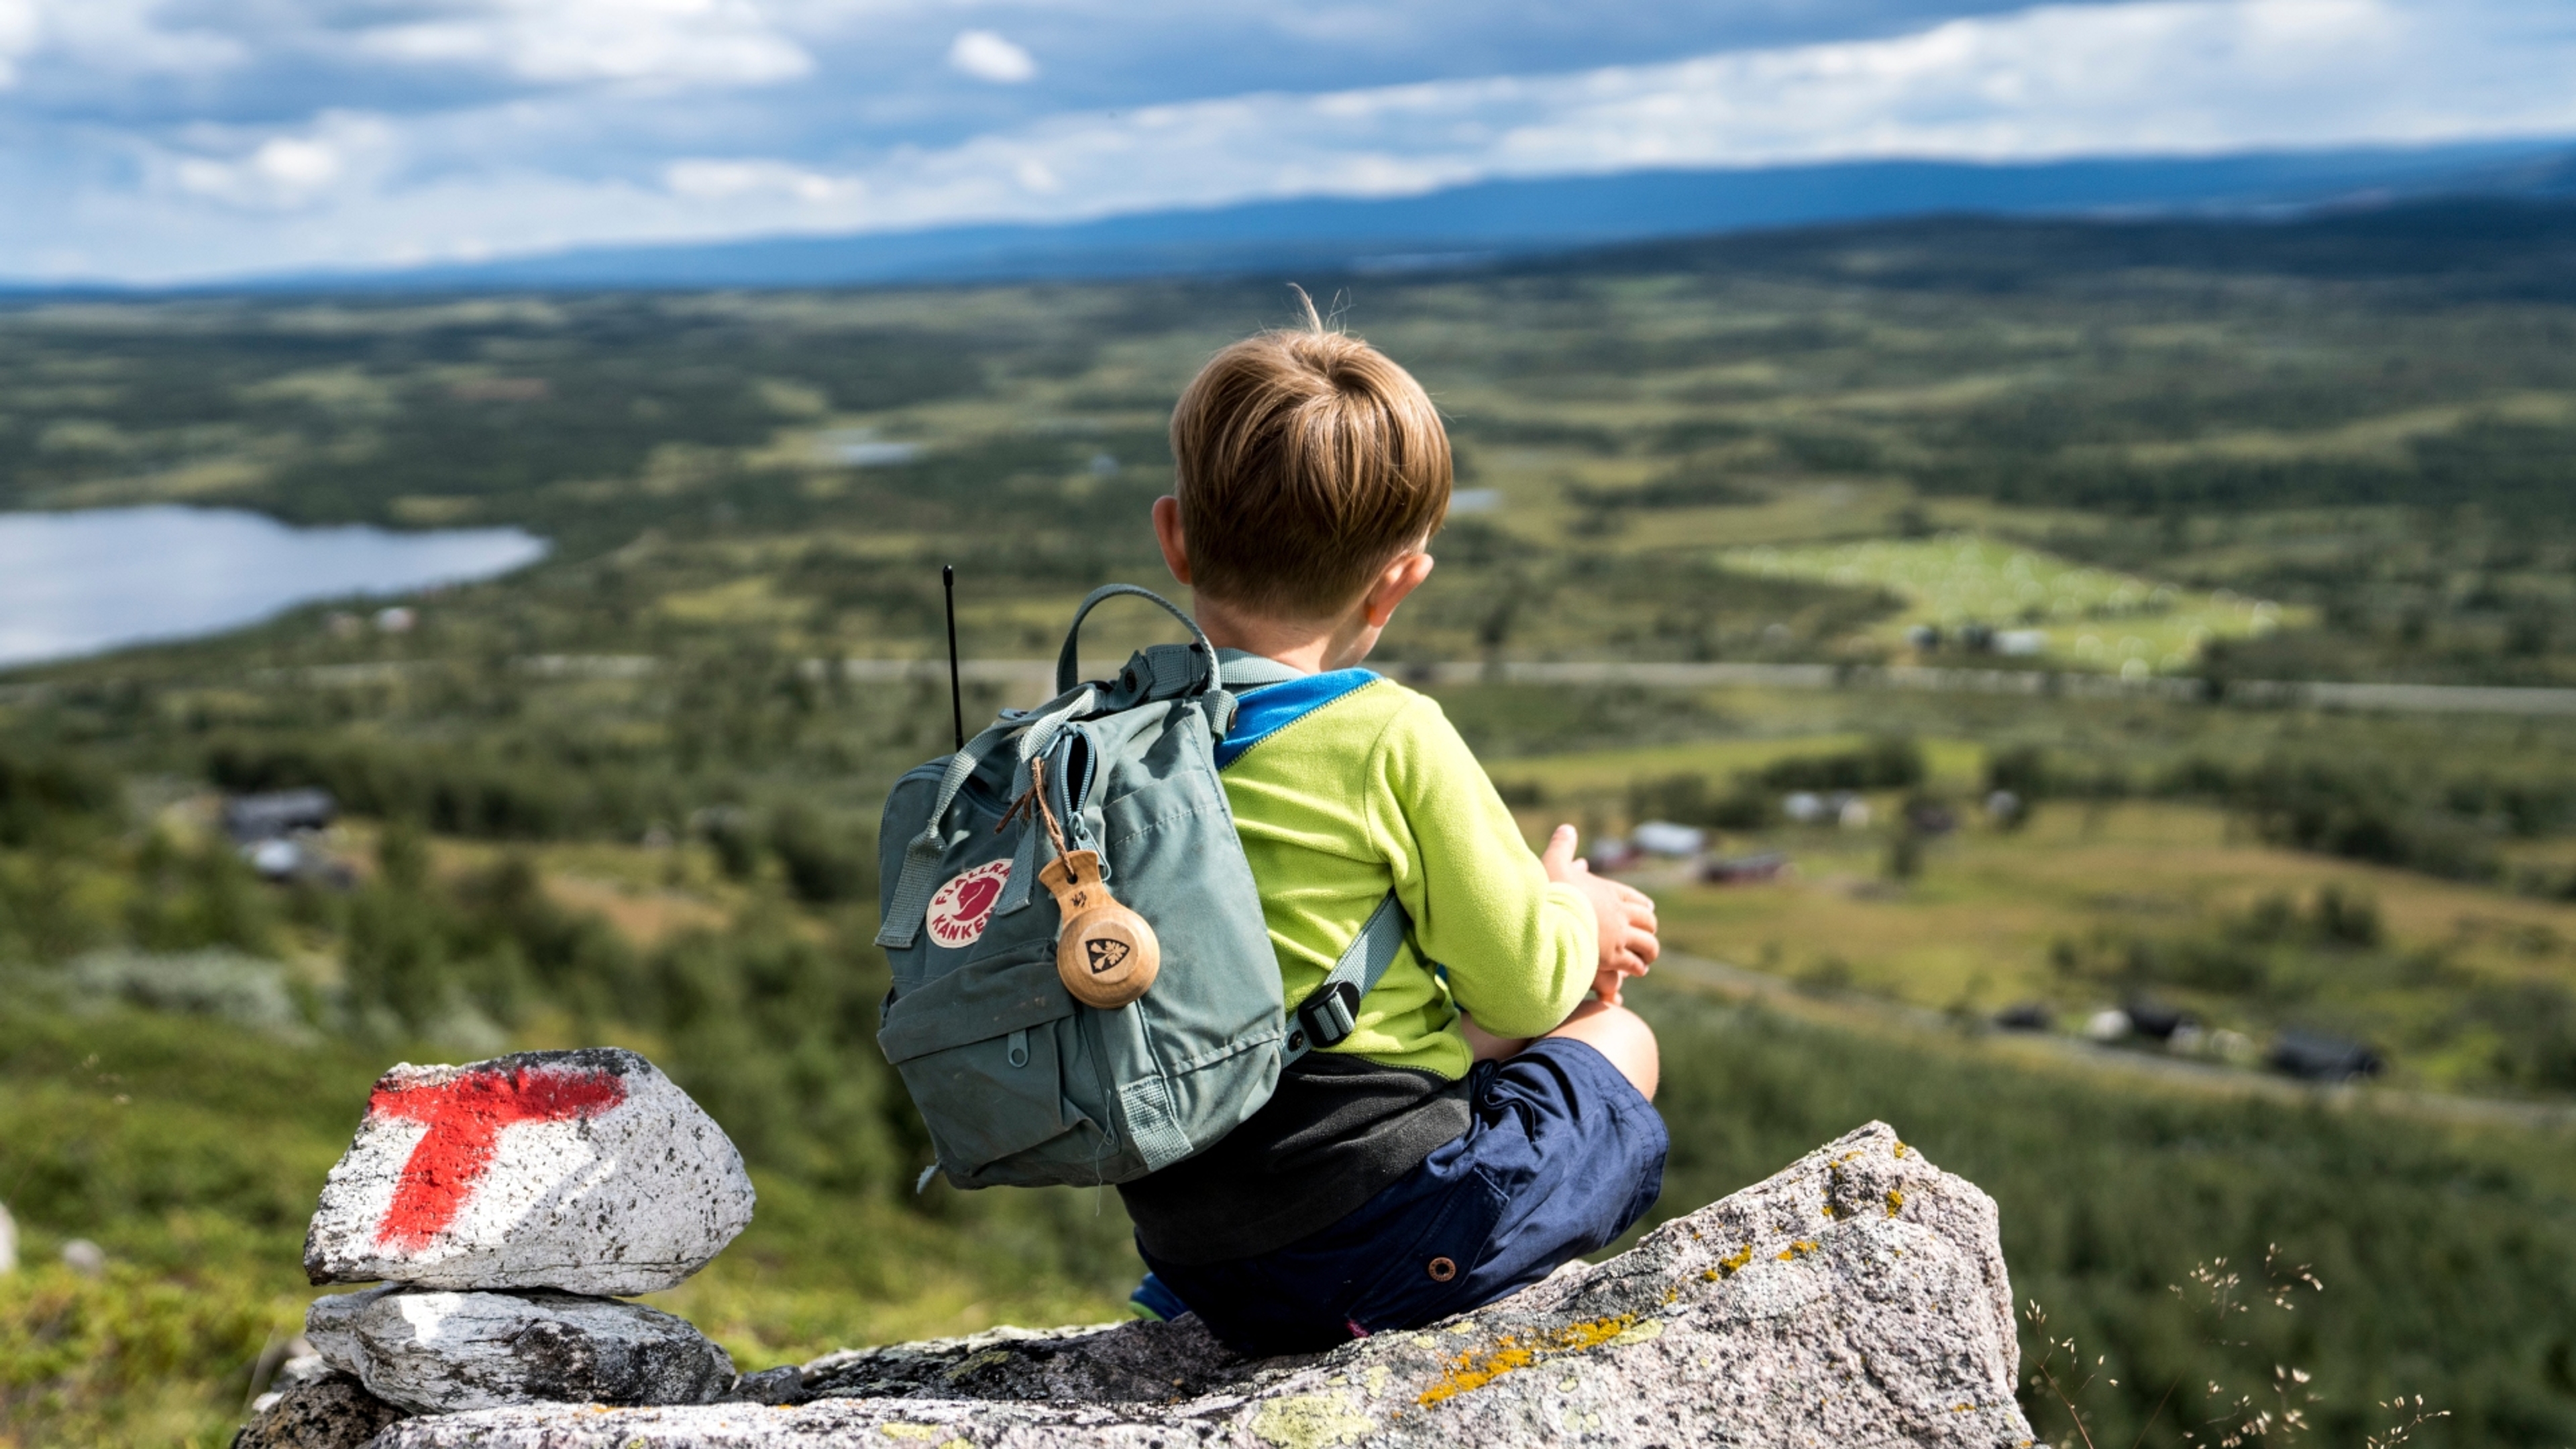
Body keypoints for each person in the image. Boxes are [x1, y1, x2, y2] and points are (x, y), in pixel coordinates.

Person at [1118, 292, 1666, 1354]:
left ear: (1175, 538)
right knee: (1615, 1038)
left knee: (1413, 1039)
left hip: (1198, 1256)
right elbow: (1520, 985)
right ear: (1400, 579)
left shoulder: (1118, 744)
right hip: (1382, 1244)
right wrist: (1574, 912)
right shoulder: (1389, 736)